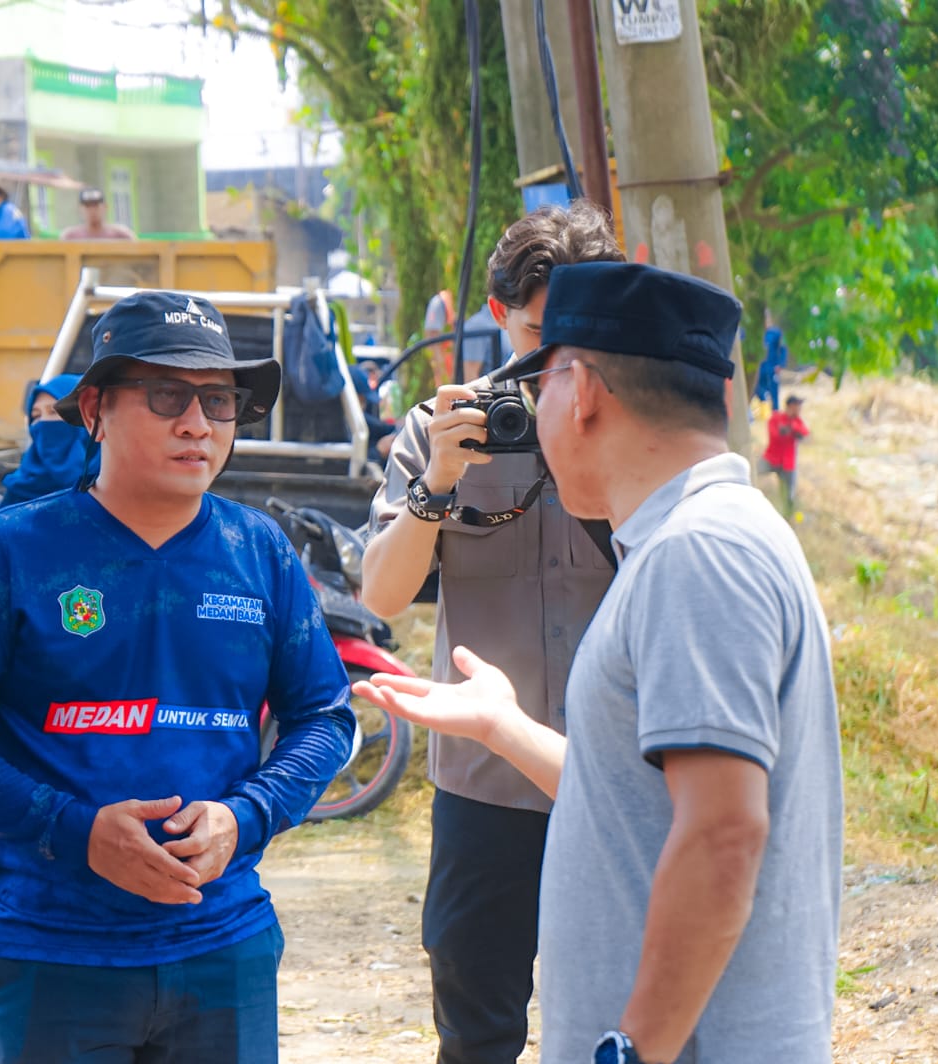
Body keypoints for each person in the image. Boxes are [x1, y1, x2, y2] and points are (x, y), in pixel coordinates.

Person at [357, 262, 843, 1064]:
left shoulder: (698, 554)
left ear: (579, 394)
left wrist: (631, 1052)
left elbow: (723, 833)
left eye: (539, 386)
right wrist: (504, 727)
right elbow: (632, 796)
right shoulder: (703, 534)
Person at [0, 290, 357, 1064]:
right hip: (51, 947)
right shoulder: (11, 550)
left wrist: (246, 816)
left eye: (219, 401)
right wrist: (74, 831)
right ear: (95, 410)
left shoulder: (261, 551)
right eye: (168, 395)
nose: (197, 424)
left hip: (224, 943)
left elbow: (326, 717)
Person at [360, 201, 624, 1064]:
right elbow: (385, 594)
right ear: (500, 313)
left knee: (622, 1025)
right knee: (475, 1033)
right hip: (486, 791)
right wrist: (439, 476)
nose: (556, 360)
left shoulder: (635, 427)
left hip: (616, 774)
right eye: (539, 333)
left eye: (578, 337)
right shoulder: (446, 428)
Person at [0, 373, 99, 510]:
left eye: (54, 412)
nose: (43, 422)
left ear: (86, 417)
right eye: (36, 416)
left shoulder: (110, 485)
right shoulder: (22, 486)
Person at [760, 394, 809, 517]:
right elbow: (775, 435)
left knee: (788, 496)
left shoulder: (797, 421)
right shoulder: (776, 418)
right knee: (752, 472)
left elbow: (804, 433)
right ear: (790, 406)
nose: (799, 409)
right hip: (771, 459)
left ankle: (788, 517)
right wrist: (790, 430)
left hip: (788, 464)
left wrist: (791, 427)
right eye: (797, 406)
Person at [60, 187, 136, 240]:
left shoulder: (121, 235)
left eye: (96, 205)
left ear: (105, 207)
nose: (92, 210)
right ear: (80, 209)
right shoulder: (70, 237)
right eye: (87, 206)